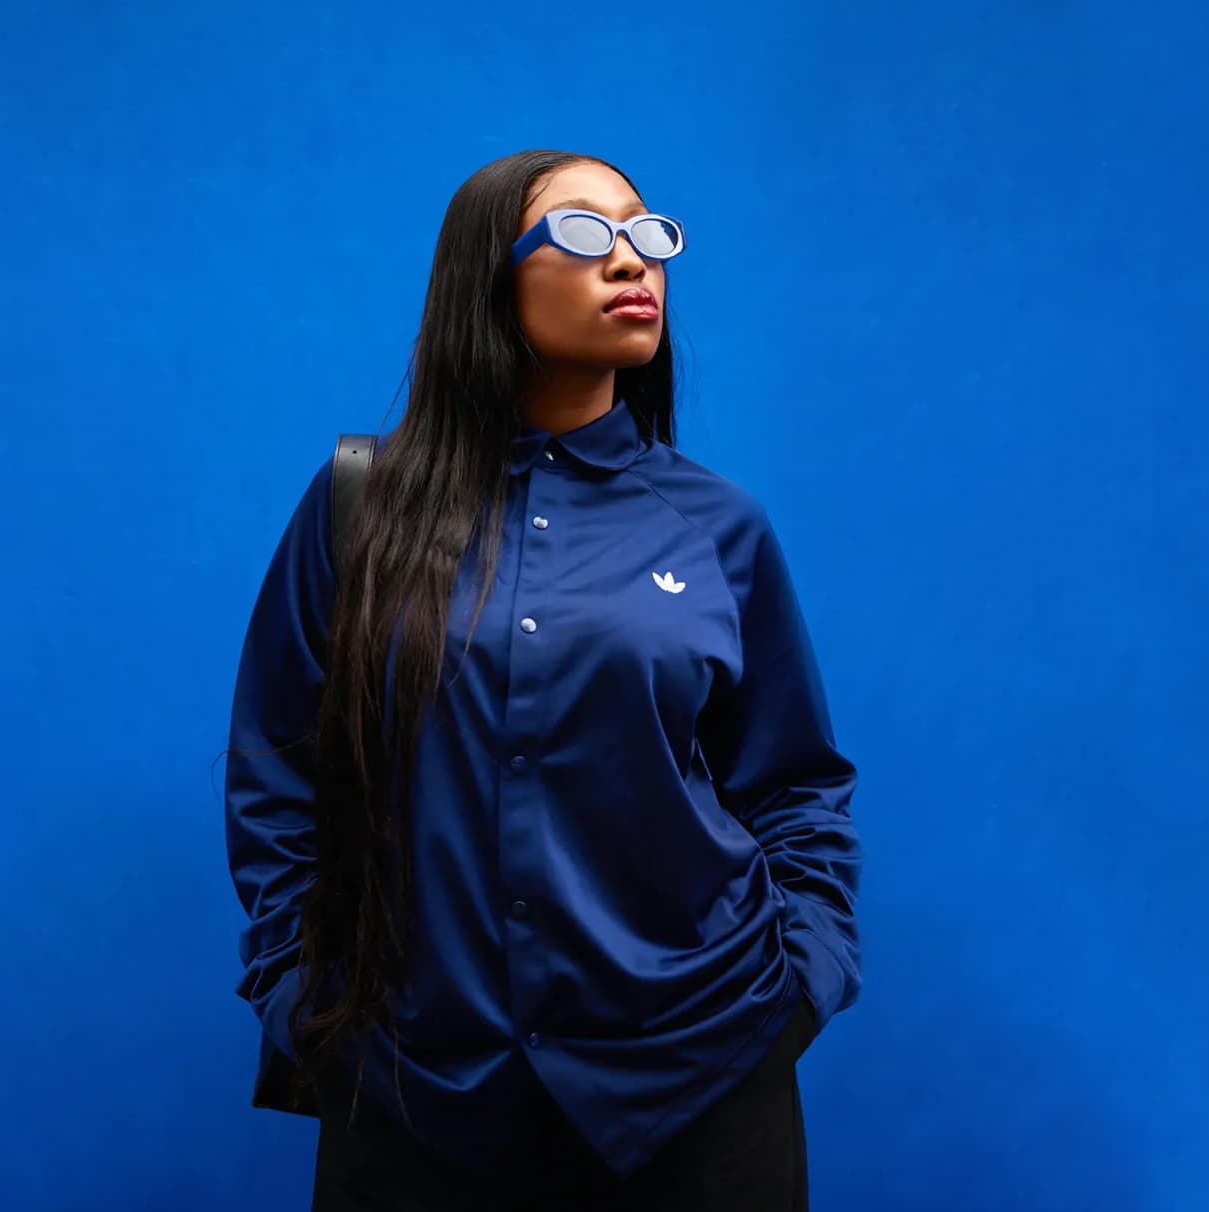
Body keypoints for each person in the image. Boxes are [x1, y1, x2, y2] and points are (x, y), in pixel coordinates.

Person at [223, 149, 862, 1211]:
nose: (629, 262)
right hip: (418, 1091)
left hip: (696, 1084)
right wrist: (302, 996)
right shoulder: (357, 511)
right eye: (580, 233)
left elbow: (794, 785)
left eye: (647, 235)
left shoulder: (718, 528)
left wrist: (798, 983)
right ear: (486, 277)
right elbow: (276, 770)